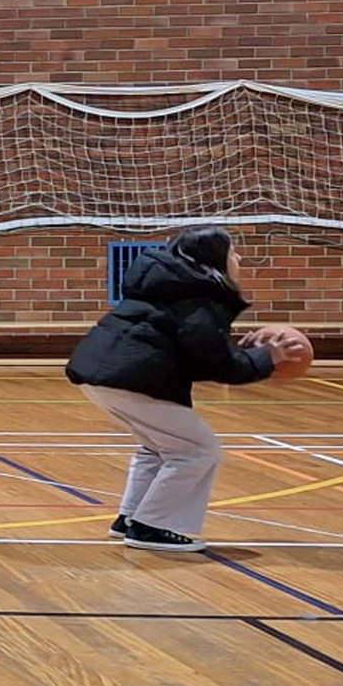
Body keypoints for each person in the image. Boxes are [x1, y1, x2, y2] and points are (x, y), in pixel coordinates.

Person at [65, 226, 311, 554]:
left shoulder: (173, 288)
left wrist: (246, 354)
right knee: (196, 449)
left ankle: (131, 517)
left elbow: (193, 355)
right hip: (128, 378)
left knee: (159, 448)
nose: (238, 258)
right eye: (232, 252)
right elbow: (218, 366)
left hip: (103, 372)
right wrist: (266, 358)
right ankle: (152, 526)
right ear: (213, 260)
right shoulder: (198, 300)